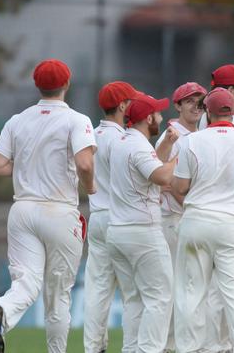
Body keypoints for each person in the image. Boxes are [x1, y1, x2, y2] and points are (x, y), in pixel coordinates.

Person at [0, 59, 96, 353]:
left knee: (25, 282)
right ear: (67, 84)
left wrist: (26, 167)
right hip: (59, 210)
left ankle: (3, 312)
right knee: (58, 294)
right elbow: (85, 162)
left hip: (22, 210)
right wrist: (92, 187)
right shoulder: (76, 119)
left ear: (37, 85)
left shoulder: (17, 120)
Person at [172, 87, 234, 353]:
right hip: (232, 223)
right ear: (233, 112)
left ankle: (188, 349)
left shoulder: (192, 141)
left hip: (197, 220)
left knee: (192, 291)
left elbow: (179, 187)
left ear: (208, 113)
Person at [106, 93, 178, 352]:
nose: (160, 116)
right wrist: (180, 156)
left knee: (134, 300)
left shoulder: (123, 142)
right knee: (159, 298)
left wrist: (166, 146)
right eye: (157, 113)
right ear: (148, 118)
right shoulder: (137, 145)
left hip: (118, 231)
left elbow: (146, 169)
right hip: (142, 232)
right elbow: (160, 176)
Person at [84, 81, 138, 353]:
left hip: (97, 216)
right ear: (122, 106)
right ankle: (131, 348)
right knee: (132, 292)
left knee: (97, 290)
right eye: (132, 101)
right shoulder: (125, 140)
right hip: (122, 219)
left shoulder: (90, 136)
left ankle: (93, 348)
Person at [154, 81, 207, 352]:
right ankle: (170, 345)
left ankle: (184, 344)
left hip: (191, 219)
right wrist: (189, 203)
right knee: (177, 289)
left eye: (200, 101)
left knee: (193, 288)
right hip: (174, 220)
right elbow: (164, 180)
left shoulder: (200, 134)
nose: (196, 106)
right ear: (178, 105)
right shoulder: (172, 136)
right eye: (190, 101)